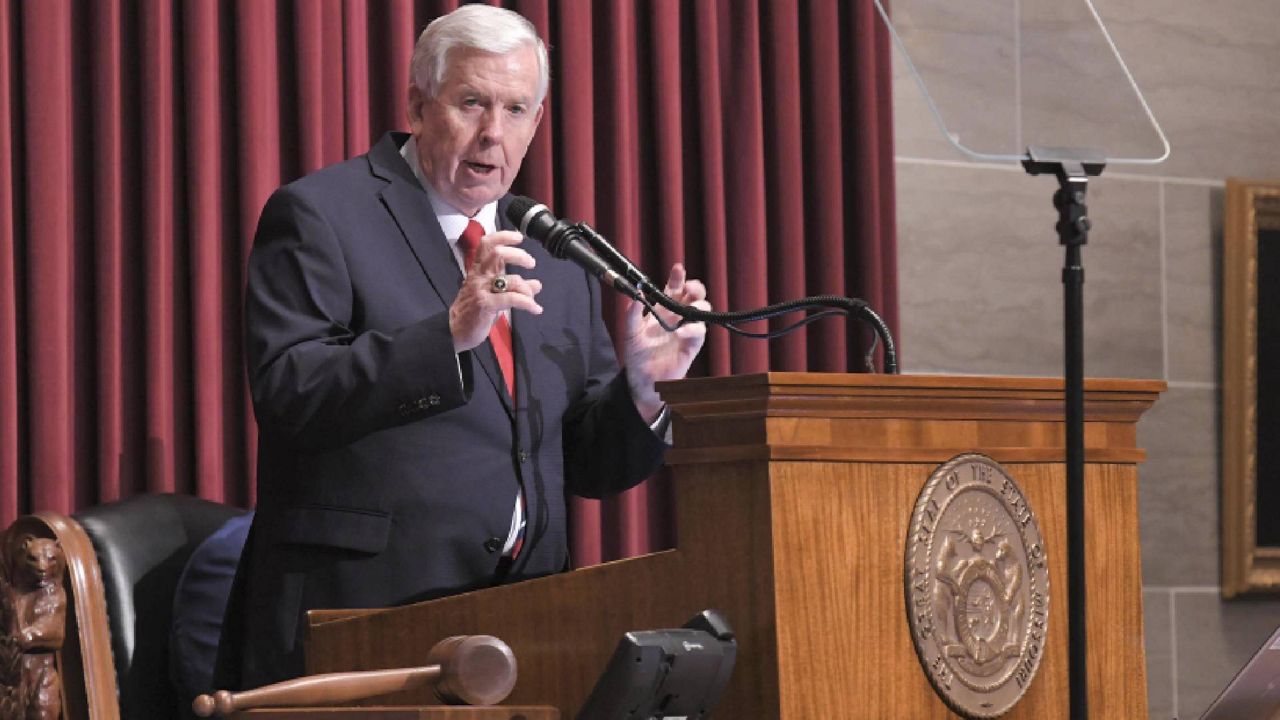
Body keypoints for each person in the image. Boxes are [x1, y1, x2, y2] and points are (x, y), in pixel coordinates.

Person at [216, 4, 710, 690]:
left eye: (515, 110)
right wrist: (447, 335)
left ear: (538, 122)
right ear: (418, 106)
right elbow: (290, 391)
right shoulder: (321, 214)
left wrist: (645, 389)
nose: (492, 133)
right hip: (359, 620)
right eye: (472, 102)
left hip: (525, 626)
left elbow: (590, 467)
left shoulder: (554, 256)